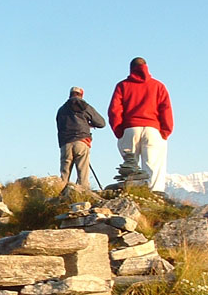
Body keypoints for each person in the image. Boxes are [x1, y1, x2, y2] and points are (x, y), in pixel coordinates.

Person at [107, 57, 174, 193]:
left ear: (130, 68)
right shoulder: (158, 86)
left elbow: (114, 110)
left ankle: (131, 192)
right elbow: (165, 109)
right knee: (153, 166)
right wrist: (165, 131)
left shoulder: (122, 85)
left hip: (130, 129)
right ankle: (155, 194)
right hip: (153, 130)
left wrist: (119, 130)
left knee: (130, 166)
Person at [56, 87, 106, 188]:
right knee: (82, 174)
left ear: (70, 94)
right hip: (81, 141)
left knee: (64, 175)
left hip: (66, 144)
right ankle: (83, 195)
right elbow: (101, 123)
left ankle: (60, 196)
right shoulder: (85, 106)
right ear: (81, 95)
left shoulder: (61, 110)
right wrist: (89, 124)